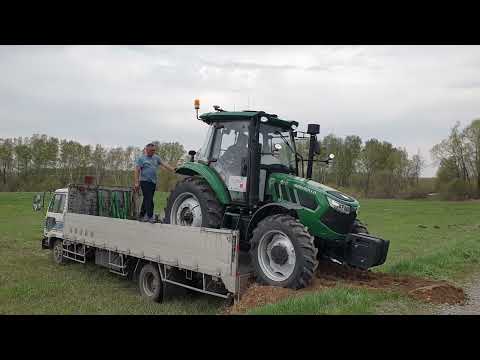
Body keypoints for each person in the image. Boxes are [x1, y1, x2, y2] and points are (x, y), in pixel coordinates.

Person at [134, 143, 175, 223]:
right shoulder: (141, 159)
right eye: (151, 150)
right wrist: (136, 182)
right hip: (144, 181)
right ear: (147, 150)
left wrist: (173, 169)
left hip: (153, 182)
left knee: (146, 198)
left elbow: (164, 164)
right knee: (149, 199)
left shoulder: (156, 158)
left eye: (154, 150)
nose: (153, 152)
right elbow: (137, 170)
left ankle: (141, 215)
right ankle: (150, 216)